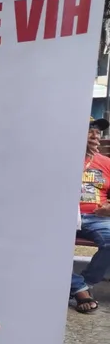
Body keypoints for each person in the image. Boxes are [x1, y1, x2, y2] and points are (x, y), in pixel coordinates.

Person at [72, 117, 110, 314]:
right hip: (66, 215)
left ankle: (81, 285)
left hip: (97, 217)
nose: (95, 134)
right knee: (44, 244)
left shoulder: (107, 163)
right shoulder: (65, 158)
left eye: (97, 131)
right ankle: (80, 290)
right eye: (89, 130)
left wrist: (108, 209)